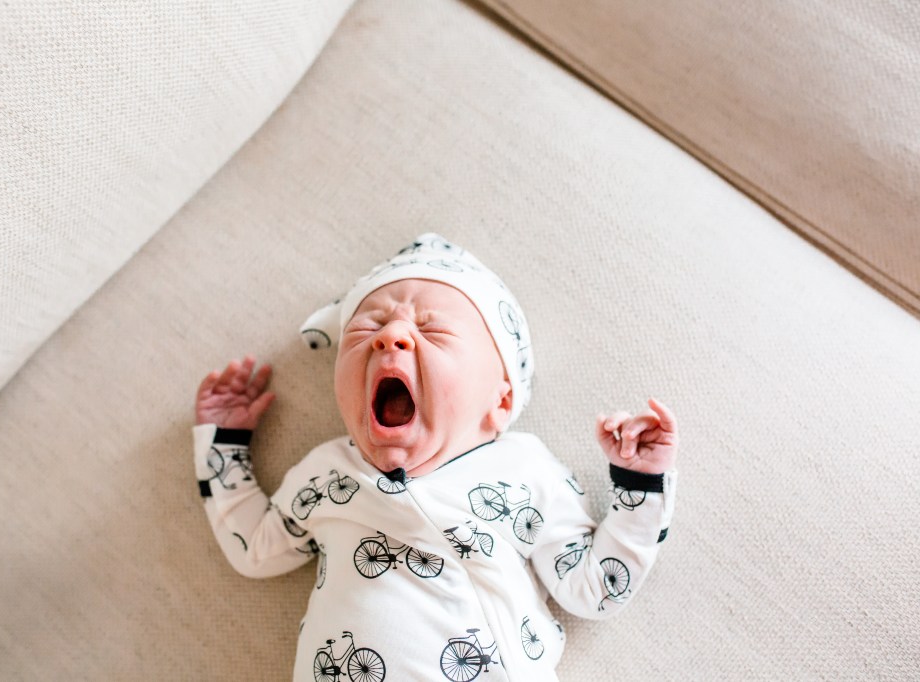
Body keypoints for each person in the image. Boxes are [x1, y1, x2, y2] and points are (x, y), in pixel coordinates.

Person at [192, 234, 678, 681]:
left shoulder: (525, 471)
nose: (391, 336)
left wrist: (640, 485)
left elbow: (596, 588)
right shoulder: (327, 473)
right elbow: (256, 548)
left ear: (501, 401)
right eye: (368, 326)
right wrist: (223, 444)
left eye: (433, 330)